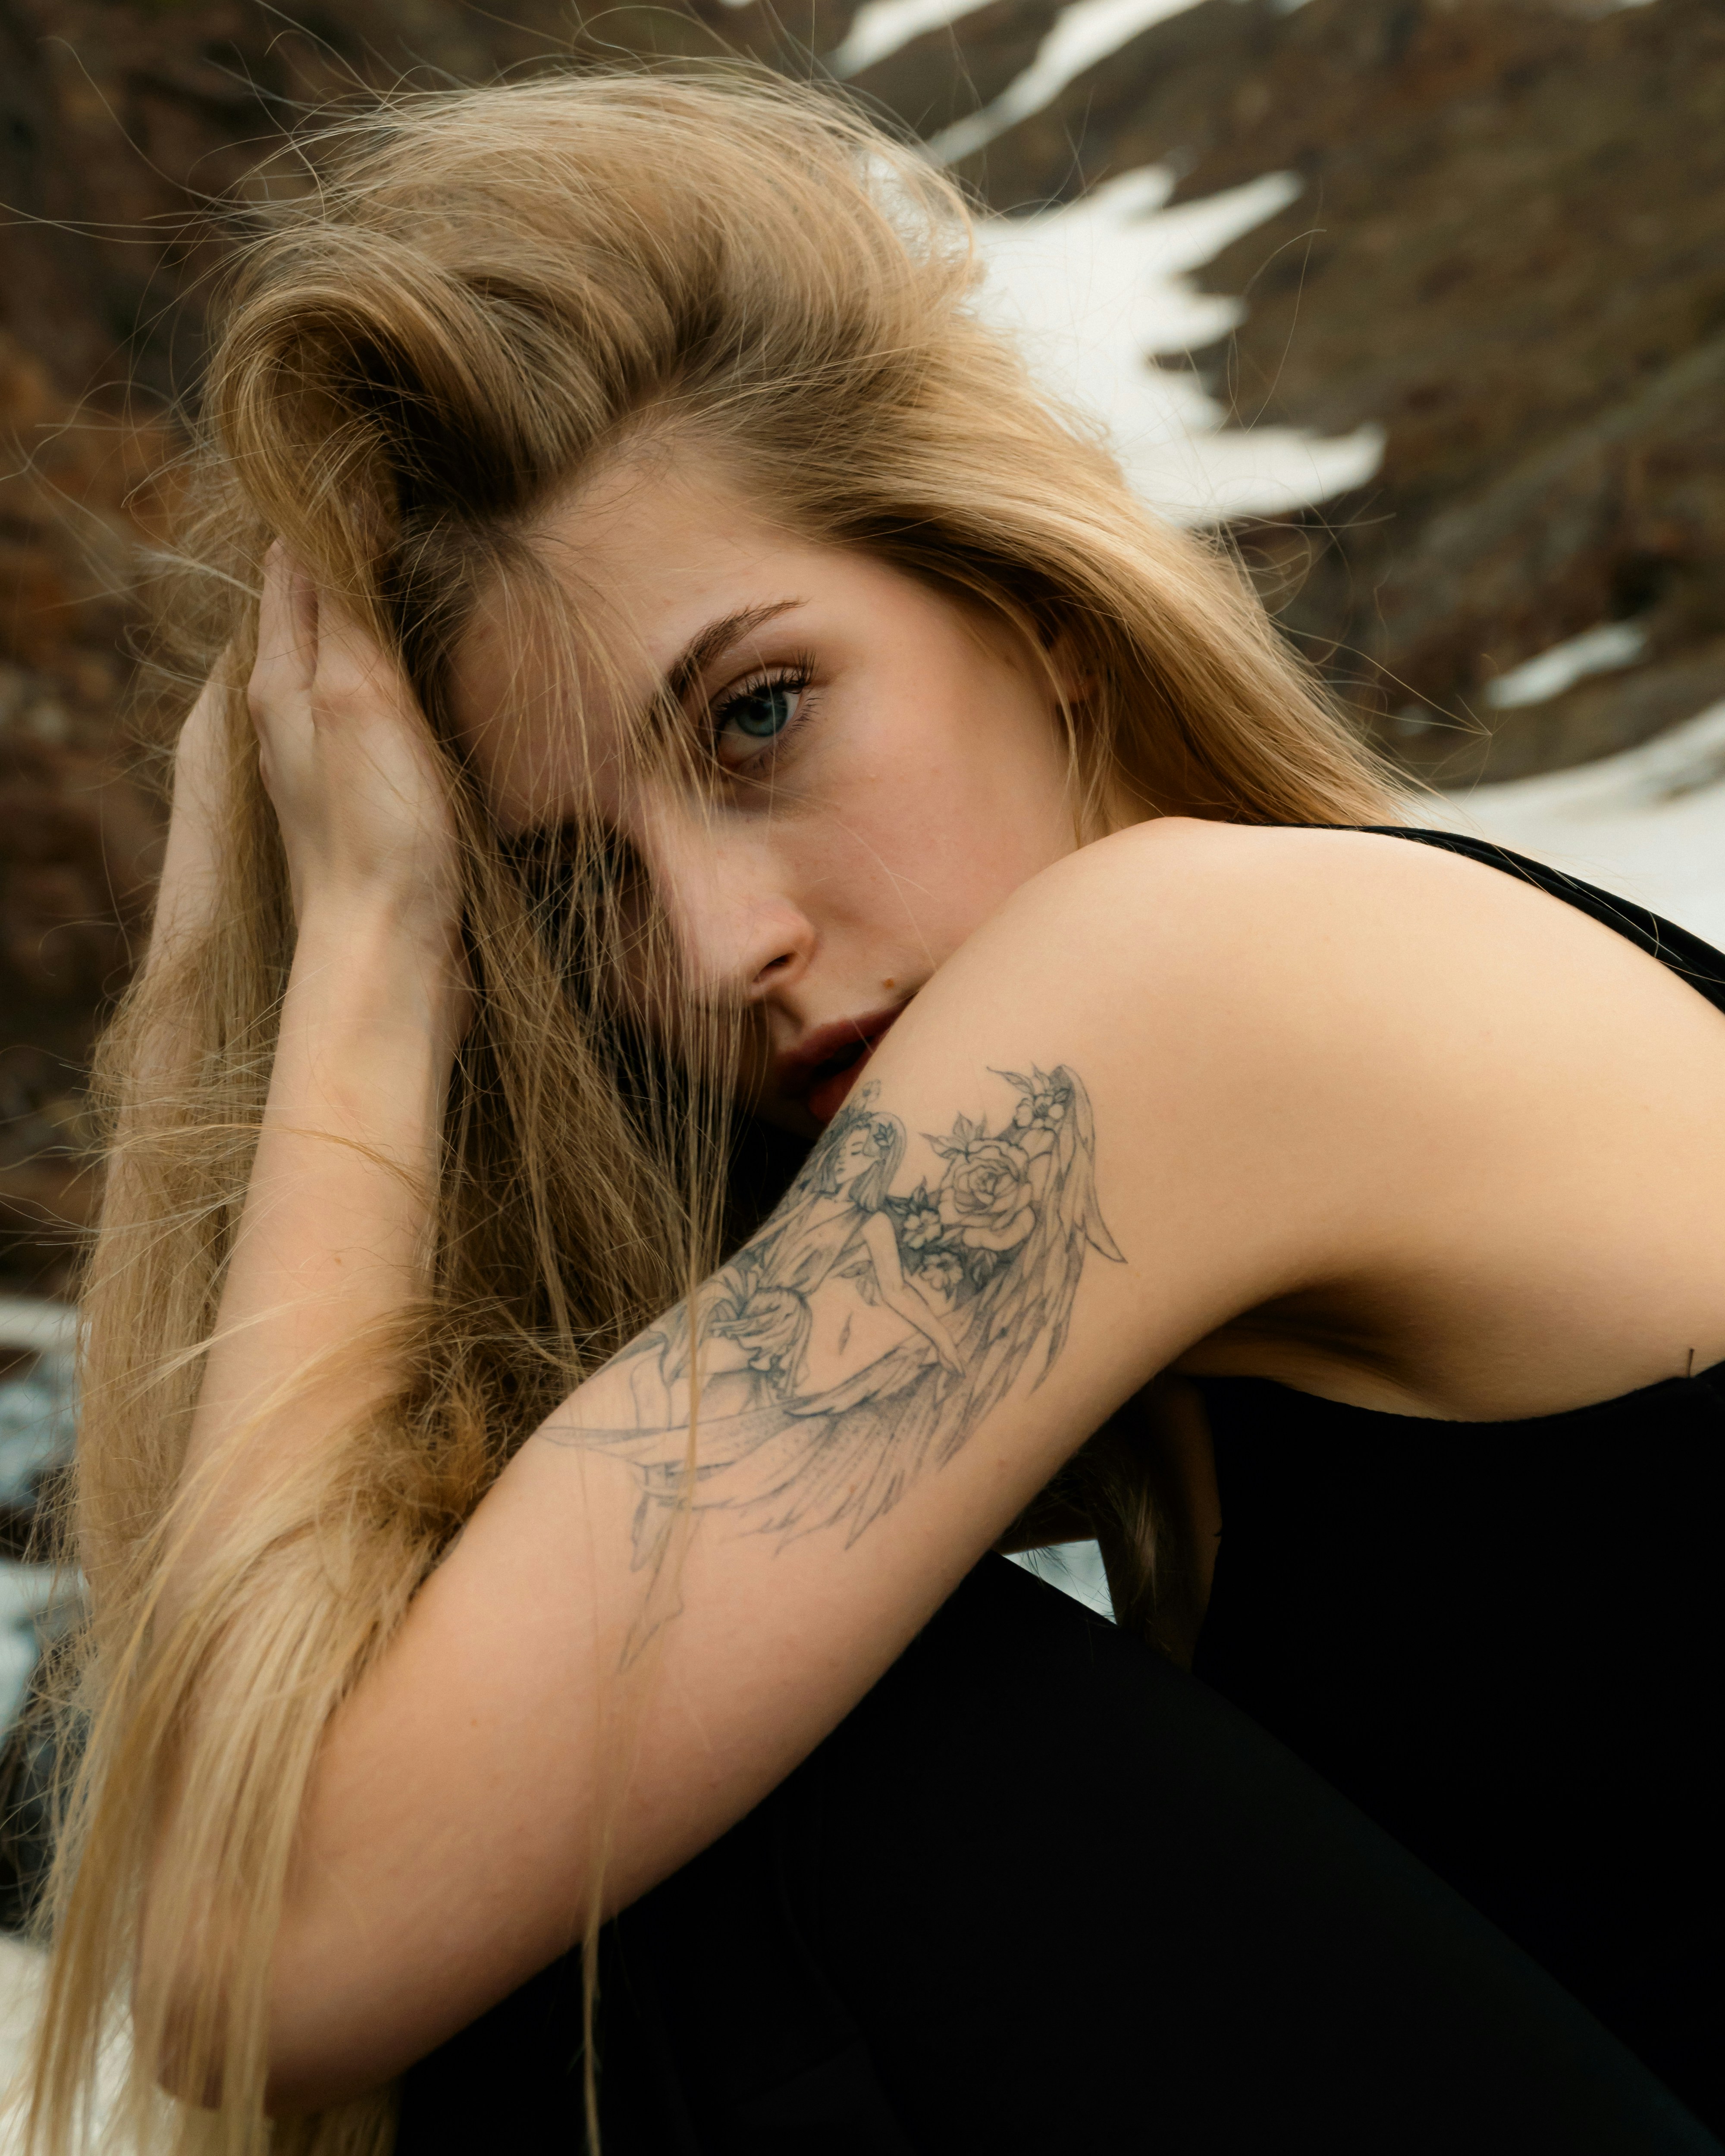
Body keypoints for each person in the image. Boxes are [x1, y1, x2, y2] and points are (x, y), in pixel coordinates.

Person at [18, 66, 1724, 2156]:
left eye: (757, 714)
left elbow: (256, 1944)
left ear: (1033, 614)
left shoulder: (1182, 979)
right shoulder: (1313, 1036)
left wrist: (359, 949)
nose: (716, 941)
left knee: (644, 1800)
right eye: (568, 886)